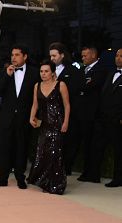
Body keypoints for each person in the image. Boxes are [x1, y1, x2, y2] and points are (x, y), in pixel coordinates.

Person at [0, 45, 39, 189]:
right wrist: (7, 75)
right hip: (6, 117)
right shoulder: (6, 72)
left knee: (21, 148)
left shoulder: (34, 73)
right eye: (12, 55)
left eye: (17, 55)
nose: (13, 57)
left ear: (25, 57)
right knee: (4, 147)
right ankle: (2, 178)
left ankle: (20, 178)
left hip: (24, 117)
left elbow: (36, 97)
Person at [27, 60, 70, 194]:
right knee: (43, 153)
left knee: (55, 154)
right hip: (44, 124)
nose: (43, 74)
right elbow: (35, 104)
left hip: (57, 124)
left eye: (46, 71)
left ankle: (57, 185)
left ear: (52, 73)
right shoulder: (37, 86)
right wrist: (31, 117)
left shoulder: (60, 85)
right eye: (41, 71)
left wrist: (66, 122)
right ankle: (45, 182)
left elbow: (67, 105)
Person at [85, 48, 122, 187]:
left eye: (121, 56)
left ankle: (118, 178)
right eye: (117, 55)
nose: (118, 58)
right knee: (97, 146)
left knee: (118, 150)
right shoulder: (110, 72)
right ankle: (94, 175)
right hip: (103, 117)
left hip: (117, 119)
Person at [75, 46, 110, 182]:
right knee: (87, 145)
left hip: (96, 115)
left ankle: (93, 174)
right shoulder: (84, 70)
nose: (83, 58)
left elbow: (87, 86)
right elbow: (79, 85)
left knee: (95, 146)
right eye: (82, 56)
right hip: (84, 114)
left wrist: (84, 85)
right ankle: (87, 172)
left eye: (85, 56)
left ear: (94, 55)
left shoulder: (101, 69)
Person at [49, 42, 81, 175]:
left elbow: (74, 93)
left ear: (62, 55)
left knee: (66, 142)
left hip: (66, 112)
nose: (52, 58)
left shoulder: (72, 71)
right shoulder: (47, 70)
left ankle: (64, 168)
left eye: (54, 55)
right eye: (50, 56)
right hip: (50, 112)